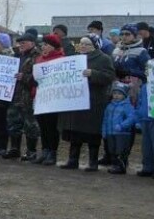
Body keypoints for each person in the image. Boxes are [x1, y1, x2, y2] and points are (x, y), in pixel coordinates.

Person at [58, 36, 116, 171]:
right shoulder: (76, 58)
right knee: (75, 133)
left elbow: (109, 76)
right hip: (76, 100)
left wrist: (93, 73)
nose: (83, 46)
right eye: (81, 44)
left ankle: (93, 162)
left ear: (94, 46)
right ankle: (73, 160)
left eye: (86, 44)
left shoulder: (104, 58)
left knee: (92, 134)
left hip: (94, 102)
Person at [5, 29, 41, 161]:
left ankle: (31, 151)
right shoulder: (16, 56)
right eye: (20, 42)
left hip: (29, 96)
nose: (21, 45)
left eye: (23, 42)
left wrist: (25, 77)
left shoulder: (37, 57)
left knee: (30, 124)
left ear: (32, 43)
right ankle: (15, 148)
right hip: (15, 95)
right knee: (13, 122)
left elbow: (40, 77)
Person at [32, 34, 66, 165]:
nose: (43, 47)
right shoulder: (40, 59)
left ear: (54, 46)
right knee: (43, 125)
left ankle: (52, 152)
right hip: (40, 96)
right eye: (43, 45)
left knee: (51, 126)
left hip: (53, 98)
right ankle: (45, 151)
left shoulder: (61, 60)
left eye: (46, 45)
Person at [101, 83, 136, 174]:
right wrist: (104, 131)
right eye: (115, 93)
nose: (116, 95)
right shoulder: (109, 106)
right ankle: (115, 165)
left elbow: (131, 118)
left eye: (119, 94)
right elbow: (105, 119)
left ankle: (121, 166)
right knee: (112, 150)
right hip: (110, 133)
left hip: (122, 133)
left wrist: (122, 126)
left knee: (121, 150)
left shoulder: (127, 106)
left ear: (124, 95)